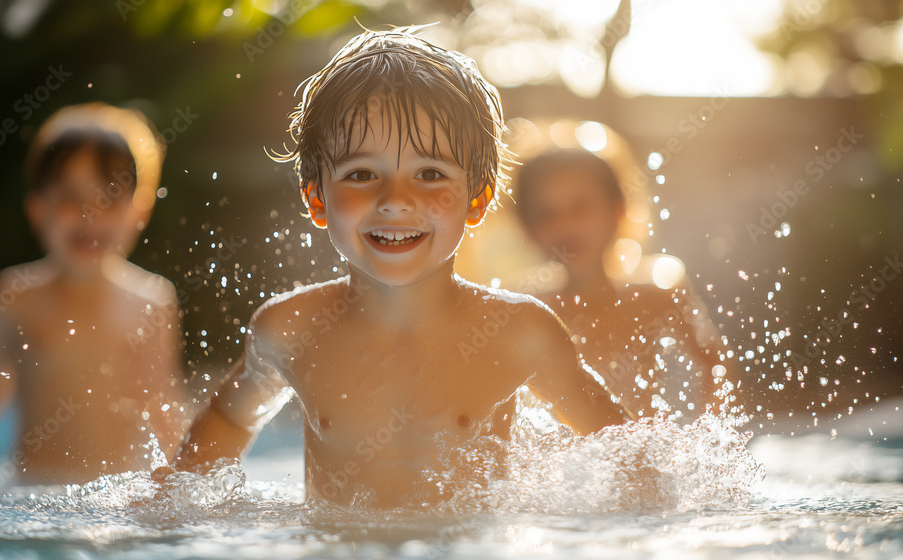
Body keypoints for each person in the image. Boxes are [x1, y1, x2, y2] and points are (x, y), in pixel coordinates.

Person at [166, 27, 632, 509]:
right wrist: (169, 504)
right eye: (362, 174)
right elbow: (231, 418)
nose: (395, 201)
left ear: (477, 198)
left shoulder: (518, 331)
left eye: (429, 174)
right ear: (317, 198)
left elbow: (625, 447)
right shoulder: (290, 329)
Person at [0, 103, 187, 484]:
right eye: (71, 198)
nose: (90, 215)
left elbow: (163, 407)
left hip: (113, 509)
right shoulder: (13, 296)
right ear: (39, 210)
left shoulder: (151, 301)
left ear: (138, 212)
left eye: (109, 199)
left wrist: (186, 486)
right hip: (31, 501)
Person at [512, 148, 729, 421]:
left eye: (580, 207)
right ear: (527, 227)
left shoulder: (658, 293)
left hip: (640, 458)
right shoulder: (520, 308)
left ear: (619, 210)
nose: (565, 224)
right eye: (546, 213)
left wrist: (705, 439)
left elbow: (716, 368)